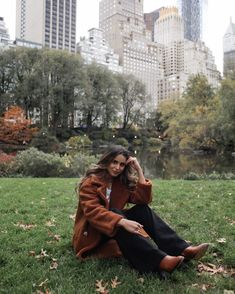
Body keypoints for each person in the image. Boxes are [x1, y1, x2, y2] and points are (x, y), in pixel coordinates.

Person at [72, 145, 209, 274]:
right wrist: (122, 221)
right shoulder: (90, 183)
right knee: (116, 214)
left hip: (112, 227)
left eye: (122, 164)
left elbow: (143, 199)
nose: (117, 168)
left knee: (142, 210)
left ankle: (183, 250)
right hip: (92, 234)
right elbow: (93, 211)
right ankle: (160, 261)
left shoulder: (121, 182)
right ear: (107, 160)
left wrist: (139, 170)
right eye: (114, 162)